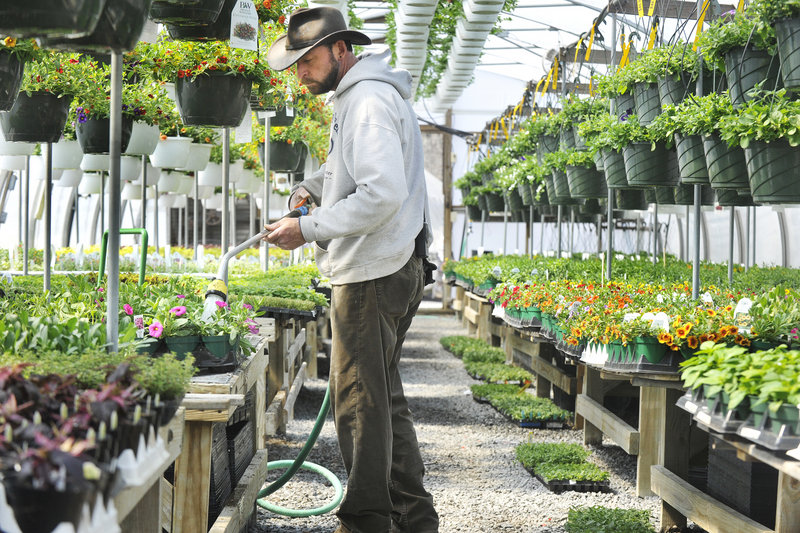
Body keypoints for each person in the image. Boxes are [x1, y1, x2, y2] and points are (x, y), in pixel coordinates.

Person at [265, 7, 439, 533]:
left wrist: (309, 228)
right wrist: (312, 189)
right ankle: (413, 517)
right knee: (382, 398)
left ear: (341, 49)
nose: (299, 73)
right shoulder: (362, 97)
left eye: (307, 60)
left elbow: (380, 192)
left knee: (358, 403)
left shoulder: (365, 101)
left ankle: (365, 522)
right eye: (294, 64)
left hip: (372, 272)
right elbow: (351, 171)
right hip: (389, 266)